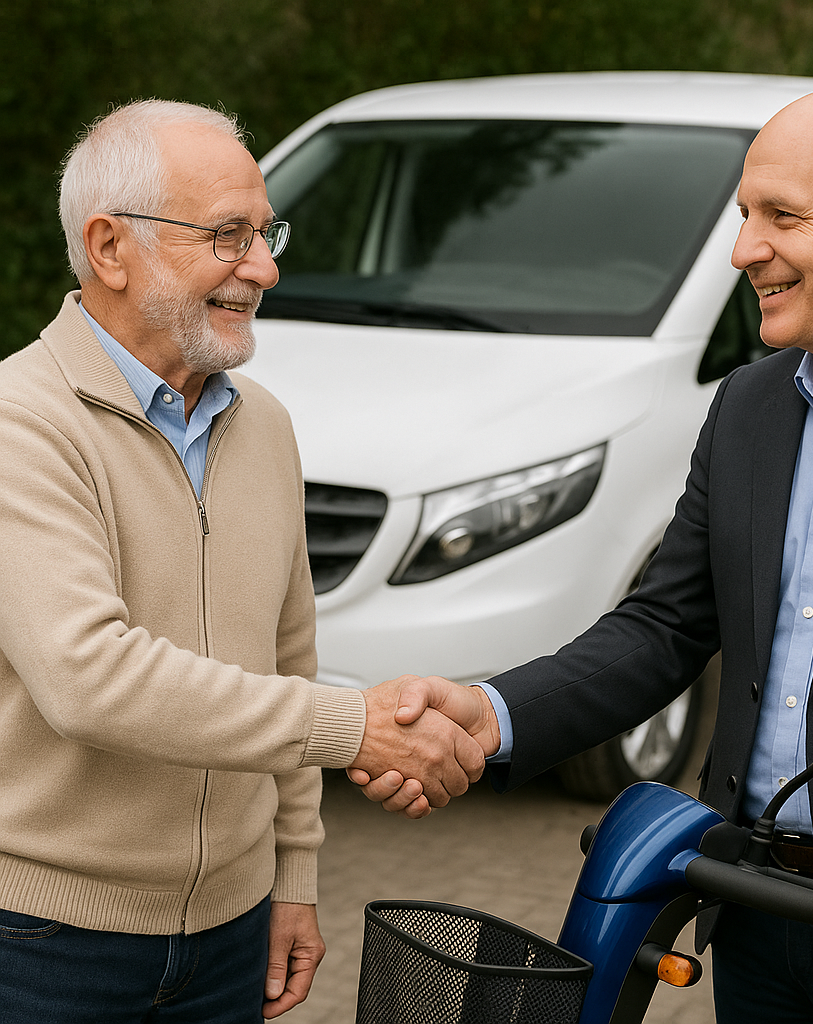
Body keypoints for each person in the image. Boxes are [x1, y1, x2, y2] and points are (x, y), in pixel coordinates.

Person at [351, 86, 813, 1024]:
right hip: (746, 916)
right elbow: (663, 627)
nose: (745, 249)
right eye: (745, 215)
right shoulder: (747, 406)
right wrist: (491, 716)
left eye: (781, 216)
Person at [0, 99, 486, 1023]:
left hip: (233, 934)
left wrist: (291, 874)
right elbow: (89, 679)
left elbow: (286, 658)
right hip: (41, 946)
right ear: (110, 248)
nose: (263, 267)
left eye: (266, 234)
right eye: (228, 236)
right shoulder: (19, 424)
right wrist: (358, 729)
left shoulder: (263, 425)